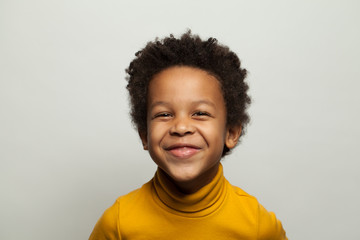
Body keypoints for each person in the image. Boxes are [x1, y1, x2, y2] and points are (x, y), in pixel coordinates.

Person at [89, 31, 287, 239]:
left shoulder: (259, 227)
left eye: (200, 113)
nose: (181, 127)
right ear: (145, 135)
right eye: (164, 114)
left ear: (231, 133)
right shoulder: (118, 223)